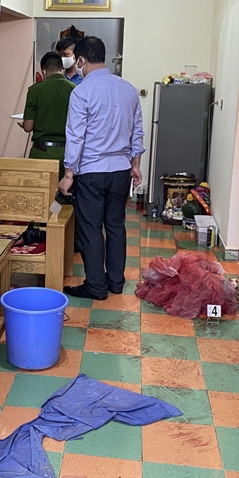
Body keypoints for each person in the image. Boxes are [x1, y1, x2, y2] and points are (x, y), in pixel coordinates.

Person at [59, 36, 144, 300]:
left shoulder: (81, 92)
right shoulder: (128, 89)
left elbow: (76, 136)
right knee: (116, 226)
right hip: (120, 171)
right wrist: (135, 165)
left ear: (81, 60)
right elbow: (137, 132)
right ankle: (116, 282)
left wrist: (69, 173)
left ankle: (96, 286)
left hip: (91, 172)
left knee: (92, 229)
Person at [19, 52, 75, 178]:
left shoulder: (35, 90)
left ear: (43, 71)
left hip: (41, 152)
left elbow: (28, 127)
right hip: (68, 153)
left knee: (39, 189)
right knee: (65, 189)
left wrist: (23, 124)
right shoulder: (75, 89)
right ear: (62, 68)